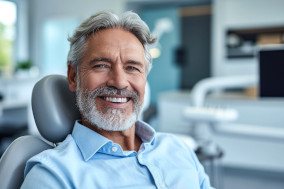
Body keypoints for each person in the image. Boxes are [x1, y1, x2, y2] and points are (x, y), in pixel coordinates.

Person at [21, 11, 213, 189]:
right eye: (102, 65)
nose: (120, 82)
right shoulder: (53, 176)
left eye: (132, 68)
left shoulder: (177, 148)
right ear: (73, 76)